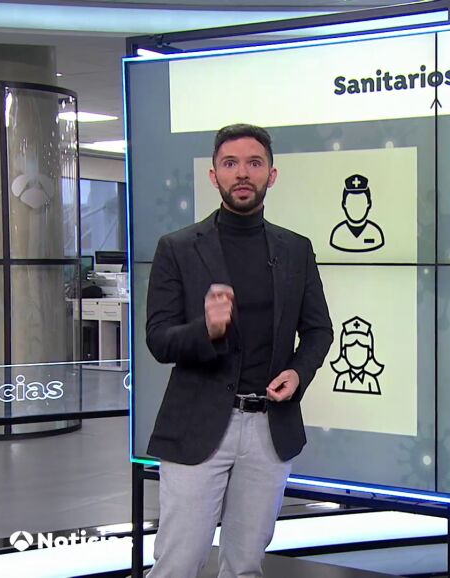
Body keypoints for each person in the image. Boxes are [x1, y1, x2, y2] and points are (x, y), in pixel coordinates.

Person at [145, 123, 333, 578]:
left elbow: (318, 330)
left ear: (272, 174)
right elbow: (159, 339)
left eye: (254, 163)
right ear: (214, 176)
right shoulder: (177, 248)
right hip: (197, 425)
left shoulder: (296, 249)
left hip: (270, 427)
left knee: (246, 565)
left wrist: (298, 372)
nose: (242, 173)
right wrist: (207, 330)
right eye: (230, 164)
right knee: (177, 564)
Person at [328, 173, 385, 252]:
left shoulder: (375, 233)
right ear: (344, 204)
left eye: (360, 203)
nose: (356, 208)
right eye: (352, 203)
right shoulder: (337, 234)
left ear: (369, 204)